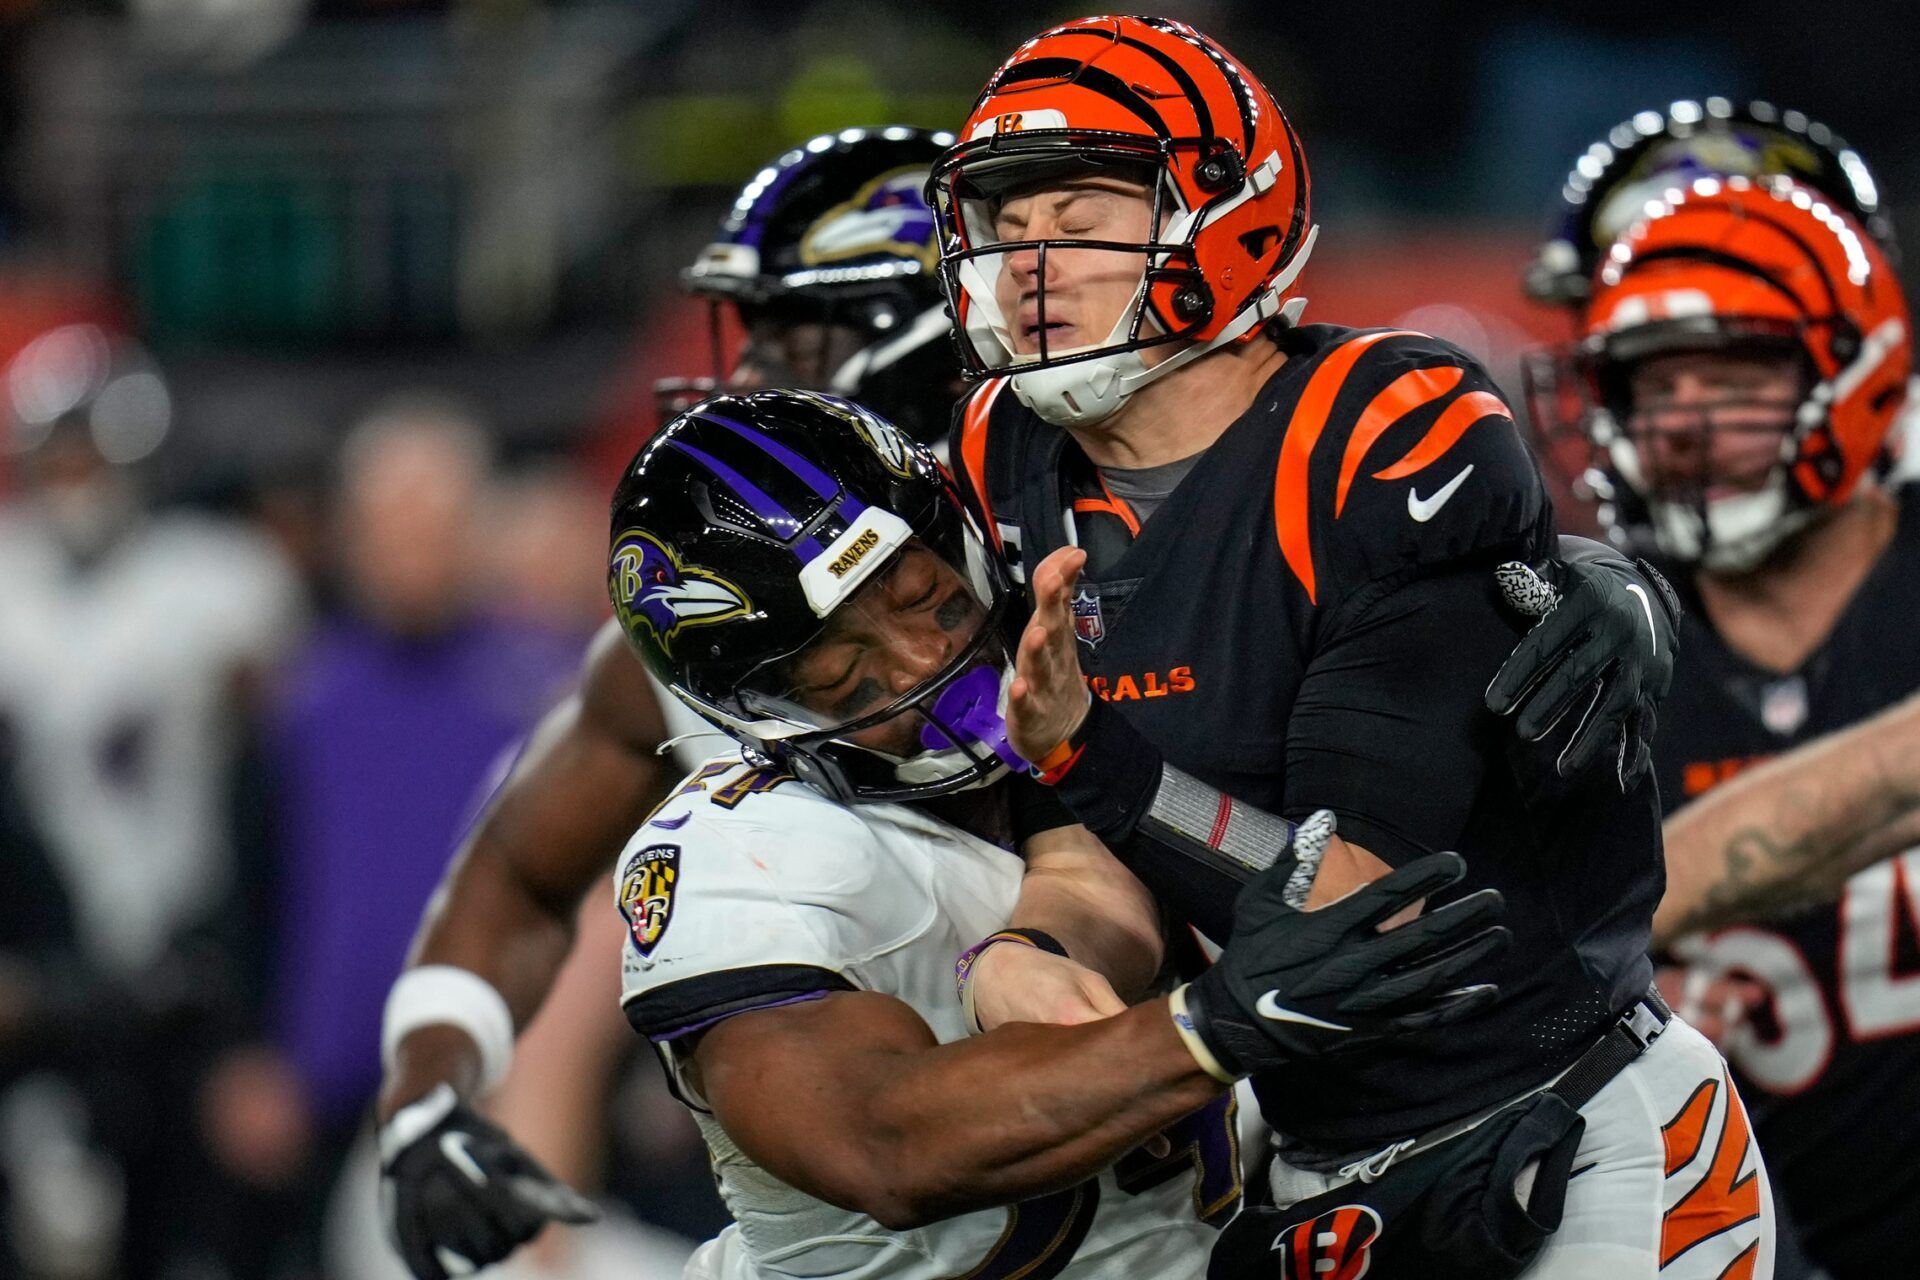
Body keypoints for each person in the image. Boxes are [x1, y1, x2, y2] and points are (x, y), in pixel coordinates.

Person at [373, 123, 1682, 1279]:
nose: (755, 375)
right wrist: (432, 1094)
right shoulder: (735, 753)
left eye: (796, 337)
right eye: (838, 671)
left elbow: (1373, 600)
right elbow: (541, 892)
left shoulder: (1040, 510)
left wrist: (1586, 575)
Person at [929, 16, 1767, 1277]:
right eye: (1008, 222)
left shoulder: (1384, 429)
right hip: (1312, 1169)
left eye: (1086, 211)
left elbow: (1361, 912)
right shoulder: (1004, 452)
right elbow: (1085, 852)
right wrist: (1034, 948)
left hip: (1568, 1124)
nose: (1033, 261)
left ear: (1226, 209)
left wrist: (1090, 758)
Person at [570, 389, 1502, 1280]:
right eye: (845, 677)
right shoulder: (747, 856)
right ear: (759, 712)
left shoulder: (1096, 669)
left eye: (926, 599)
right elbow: (882, 1145)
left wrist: (1569, 579)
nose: (928, 664)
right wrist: (1211, 1029)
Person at [1534, 172, 1915, 1279]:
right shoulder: (1581, 643)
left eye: (1740, 374)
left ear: (1855, 370)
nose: (1690, 423)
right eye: (1656, 386)